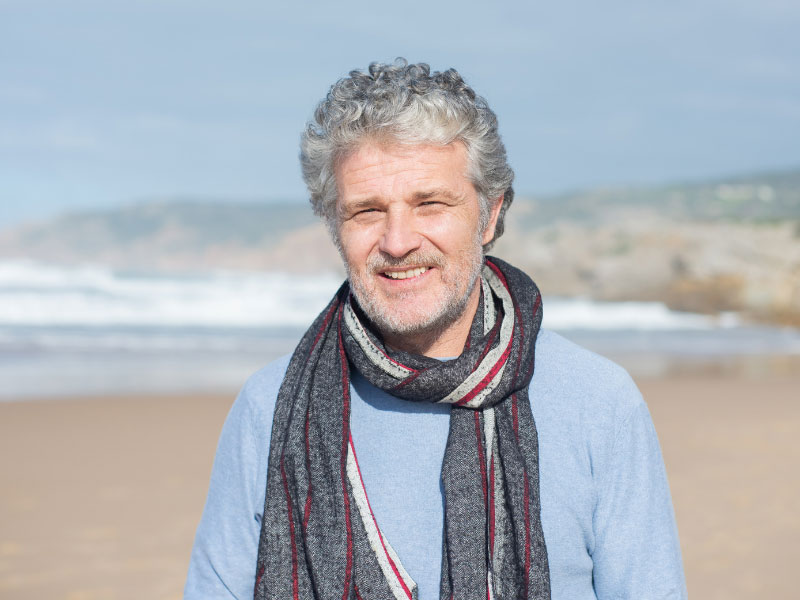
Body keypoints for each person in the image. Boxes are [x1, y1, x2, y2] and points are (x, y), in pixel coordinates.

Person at [184, 59, 686, 600]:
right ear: (335, 228)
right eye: (366, 211)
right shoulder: (270, 407)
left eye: (430, 204)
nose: (398, 242)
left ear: (489, 215)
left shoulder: (600, 403)